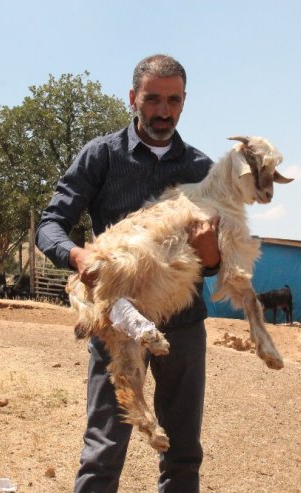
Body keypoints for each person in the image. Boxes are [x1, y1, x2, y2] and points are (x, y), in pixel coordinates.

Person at [36, 54, 220, 493]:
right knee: (104, 445)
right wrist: (78, 258)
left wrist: (210, 245)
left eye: (173, 100)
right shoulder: (101, 155)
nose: (163, 110)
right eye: (153, 99)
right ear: (133, 97)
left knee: (182, 452)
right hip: (118, 319)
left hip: (183, 321)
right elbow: (51, 223)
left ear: (184, 102)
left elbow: (214, 265)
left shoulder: (201, 169)